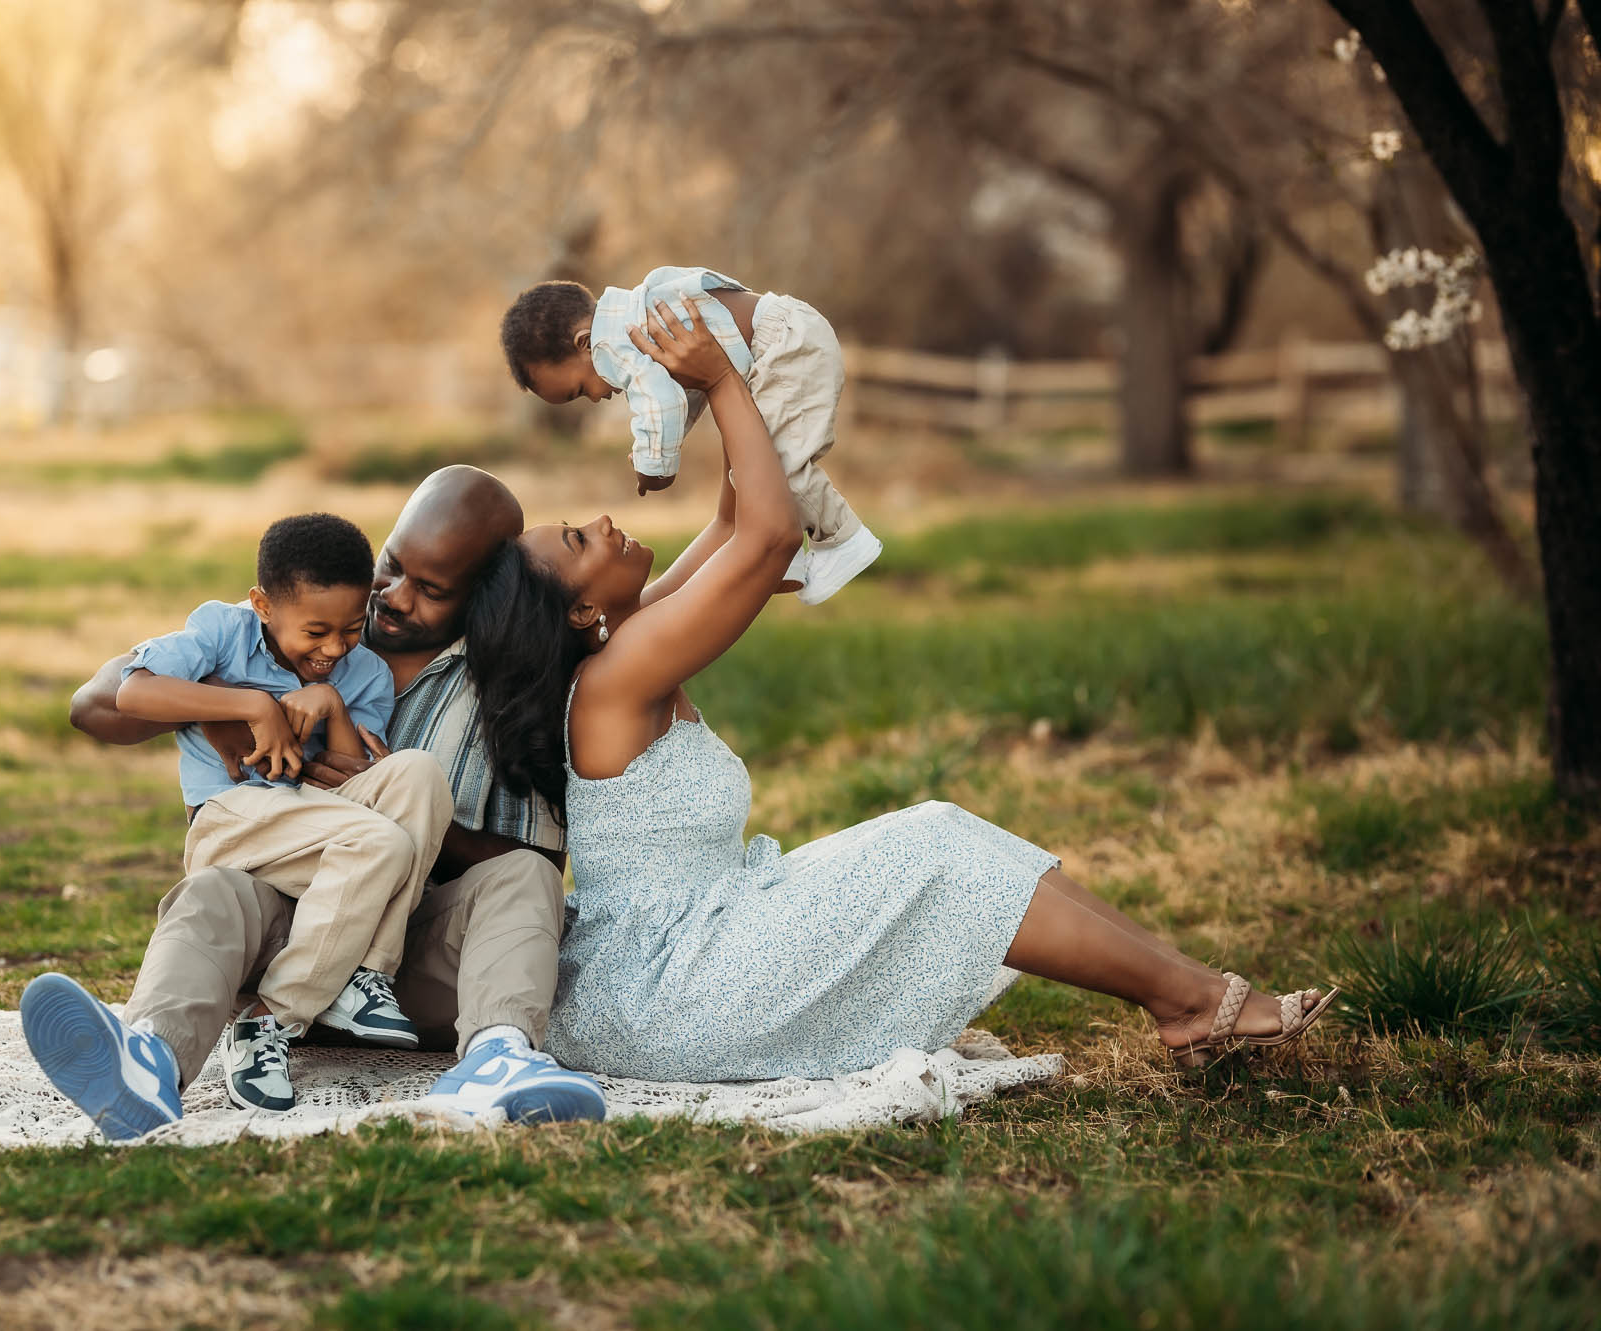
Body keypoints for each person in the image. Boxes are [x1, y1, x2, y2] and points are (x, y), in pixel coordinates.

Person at [465, 298, 1336, 1083]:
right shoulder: (620, 674)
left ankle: (1195, 995)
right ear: (581, 607)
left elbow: (736, 522)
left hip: (693, 953)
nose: (606, 521)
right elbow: (769, 541)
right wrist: (723, 379)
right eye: (580, 536)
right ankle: (1189, 1005)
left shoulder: (628, 644)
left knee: (946, 835)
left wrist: (756, 371)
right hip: (668, 991)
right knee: (937, 850)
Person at [50, 467, 604, 1139]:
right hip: (278, 927)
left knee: (521, 871)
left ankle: (497, 1053)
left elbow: (539, 857)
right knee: (216, 893)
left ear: (479, 597)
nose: (393, 599)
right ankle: (150, 1058)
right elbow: (97, 701)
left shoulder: (502, 685)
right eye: (391, 567)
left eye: (430, 590)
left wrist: (372, 805)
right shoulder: (310, 622)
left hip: (411, 957)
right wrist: (224, 710)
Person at [21, 513, 453, 1130]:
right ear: (262, 605)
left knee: (418, 775)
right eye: (316, 631)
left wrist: (328, 704)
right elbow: (132, 693)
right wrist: (252, 705)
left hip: (318, 826)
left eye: (351, 630)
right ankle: (276, 1014)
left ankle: (358, 977)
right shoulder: (222, 631)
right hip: (231, 820)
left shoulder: (363, 674)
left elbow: (352, 778)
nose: (333, 649)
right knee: (378, 841)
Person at [499, 266, 881, 604]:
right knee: (757, 469)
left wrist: (655, 466)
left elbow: (661, 402)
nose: (596, 398)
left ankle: (842, 540)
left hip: (785, 347)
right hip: (784, 340)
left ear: (585, 343)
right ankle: (791, 559)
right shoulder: (640, 310)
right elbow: (686, 393)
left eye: (581, 390)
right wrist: (664, 440)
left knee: (774, 466)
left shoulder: (620, 341)